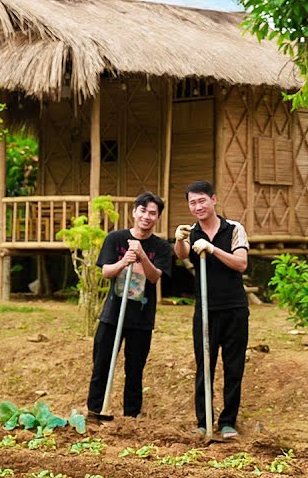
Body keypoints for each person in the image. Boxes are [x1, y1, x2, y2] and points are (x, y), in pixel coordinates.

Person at [172, 180, 250, 440]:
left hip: (234, 308)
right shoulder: (192, 231)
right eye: (192, 202)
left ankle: (228, 422)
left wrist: (213, 249)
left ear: (213, 200)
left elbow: (241, 263)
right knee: (204, 365)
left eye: (202, 200)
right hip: (205, 309)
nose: (198, 206)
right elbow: (182, 255)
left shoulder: (234, 229)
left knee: (233, 366)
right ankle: (203, 422)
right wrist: (180, 239)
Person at [85, 192, 172, 420]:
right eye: (142, 210)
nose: (146, 216)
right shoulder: (116, 239)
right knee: (102, 363)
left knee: (135, 369)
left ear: (158, 217)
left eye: (152, 213)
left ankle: (131, 417)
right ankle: (95, 411)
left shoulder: (161, 247)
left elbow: (154, 277)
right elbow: (106, 271)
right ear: (134, 212)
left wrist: (142, 256)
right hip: (112, 314)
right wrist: (124, 261)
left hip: (141, 318)